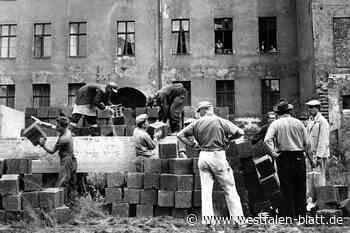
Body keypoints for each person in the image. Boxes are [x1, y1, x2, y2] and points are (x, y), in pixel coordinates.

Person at [177, 101, 245, 228]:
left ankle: (208, 222)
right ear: (210, 109)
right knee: (230, 189)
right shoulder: (220, 121)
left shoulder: (196, 123)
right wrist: (228, 140)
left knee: (206, 192)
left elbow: (180, 135)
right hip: (218, 156)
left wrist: (193, 145)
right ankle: (238, 221)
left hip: (203, 156)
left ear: (202, 111)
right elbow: (240, 132)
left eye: (199, 111)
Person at [264, 100, 310, 218]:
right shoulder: (299, 123)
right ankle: (301, 215)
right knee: (300, 186)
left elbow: (267, 140)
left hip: (283, 157)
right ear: (289, 111)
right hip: (299, 156)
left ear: (279, 112)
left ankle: (289, 215)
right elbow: (308, 142)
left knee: (286, 187)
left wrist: (274, 154)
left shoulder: (276, 124)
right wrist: (306, 154)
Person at [38, 117, 77, 208]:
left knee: (60, 184)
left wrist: (42, 145)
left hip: (67, 162)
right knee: (70, 184)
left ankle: (58, 207)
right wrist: (41, 123)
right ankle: (71, 204)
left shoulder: (63, 139)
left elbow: (52, 151)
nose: (56, 127)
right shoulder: (66, 130)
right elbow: (52, 126)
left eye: (58, 125)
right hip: (72, 159)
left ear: (62, 127)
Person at [305, 99, 330, 186]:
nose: (310, 109)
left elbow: (324, 140)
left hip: (319, 154)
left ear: (318, 108)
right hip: (311, 154)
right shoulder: (311, 120)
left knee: (319, 178)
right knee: (310, 178)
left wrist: (319, 156)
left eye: (312, 107)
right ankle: (311, 197)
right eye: (309, 107)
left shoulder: (322, 121)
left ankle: (321, 197)